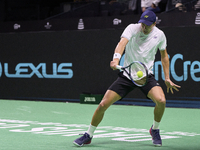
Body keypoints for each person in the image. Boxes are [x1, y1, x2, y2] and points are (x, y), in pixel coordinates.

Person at [73, 10, 181, 147]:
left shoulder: (160, 35)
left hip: (146, 76)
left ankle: (154, 130)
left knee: (161, 100)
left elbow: (164, 56)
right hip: (128, 75)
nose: (144, 27)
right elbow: (122, 43)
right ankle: (88, 135)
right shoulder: (132, 28)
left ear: (154, 23)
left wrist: (167, 77)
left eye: (147, 25)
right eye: (142, 23)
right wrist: (116, 59)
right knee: (102, 105)